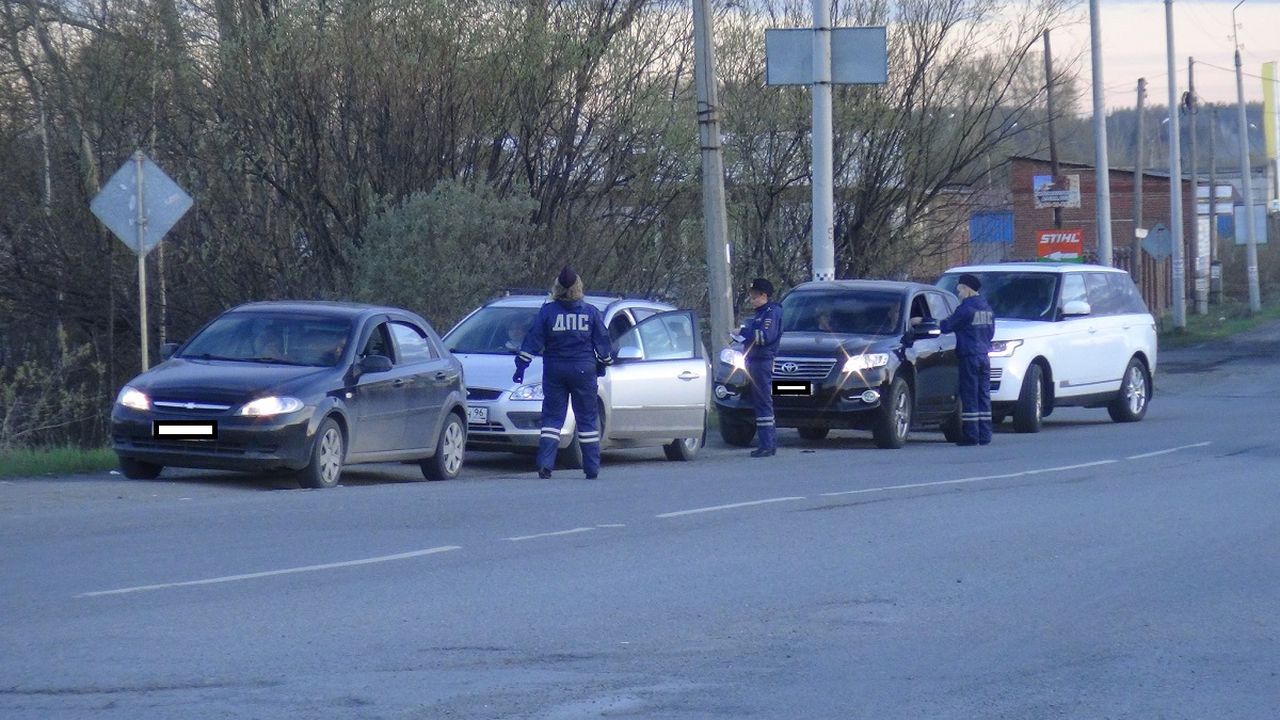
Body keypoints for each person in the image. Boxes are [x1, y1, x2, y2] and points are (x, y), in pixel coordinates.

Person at [513, 266, 612, 479]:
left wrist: (521, 366)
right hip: (584, 370)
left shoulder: (548, 312)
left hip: (555, 369)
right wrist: (604, 363)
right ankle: (592, 467)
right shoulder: (590, 312)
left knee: (552, 418)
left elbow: (533, 339)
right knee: (586, 419)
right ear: (579, 287)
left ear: (556, 287)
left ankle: (545, 464)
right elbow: (602, 341)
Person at [940, 273, 995, 446]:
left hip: (969, 356)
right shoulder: (987, 308)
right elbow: (991, 332)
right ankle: (985, 435)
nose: (959, 294)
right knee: (983, 395)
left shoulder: (966, 308)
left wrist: (931, 321)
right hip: (984, 356)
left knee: (969, 395)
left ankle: (971, 436)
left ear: (968, 289)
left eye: (960, 290)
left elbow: (947, 326)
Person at [733, 277, 783, 457]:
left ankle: (767, 444)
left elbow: (764, 337)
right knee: (760, 402)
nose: (751, 299)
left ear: (764, 295)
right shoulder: (761, 313)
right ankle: (768, 444)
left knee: (763, 402)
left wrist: (744, 333)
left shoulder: (771, 312)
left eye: (754, 296)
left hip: (763, 362)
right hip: (755, 361)